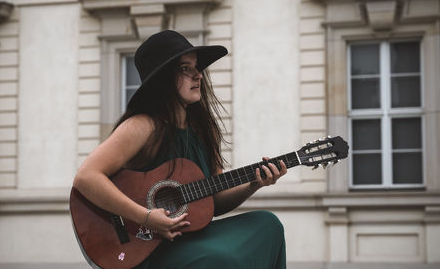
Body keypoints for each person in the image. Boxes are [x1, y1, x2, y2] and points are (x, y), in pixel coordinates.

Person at [73, 30, 287, 269]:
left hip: (190, 239)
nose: (198, 75)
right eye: (186, 68)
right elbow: (86, 177)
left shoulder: (204, 130)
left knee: (268, 224)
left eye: (197, 68)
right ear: (163, 78)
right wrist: (147, 218)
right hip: (146, 245)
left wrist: (254, 183)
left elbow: (214, 201)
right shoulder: (142, 126)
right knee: (220, 260)